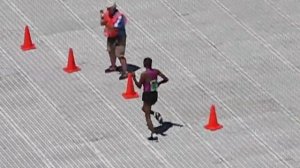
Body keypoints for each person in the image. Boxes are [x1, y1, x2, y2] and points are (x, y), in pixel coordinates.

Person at [133, 57, 169, 139]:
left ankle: (153, 133)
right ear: (151, 64)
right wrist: (158, 84)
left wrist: (134, 78)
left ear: (144, 65)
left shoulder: (144, 74)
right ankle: (156, 114)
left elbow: (139, 86)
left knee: (147, 115)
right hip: (154, 94)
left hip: (147, 95)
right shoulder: (156, 71)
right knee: (144, 109)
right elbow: (166, 79)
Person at [100, 1, 128, 80]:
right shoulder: (107, 14)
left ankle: (125, 72)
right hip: (111, 36)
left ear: (114, 8)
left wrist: (106, 22)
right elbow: (102, 23)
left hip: (120, 37)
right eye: (107, 9)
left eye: (109, 9)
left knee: (120, 54)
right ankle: (113, 66)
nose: (108, 11)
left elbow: (114, 27)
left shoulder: (120, 17)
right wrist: (102, 18)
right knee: (110, 51)